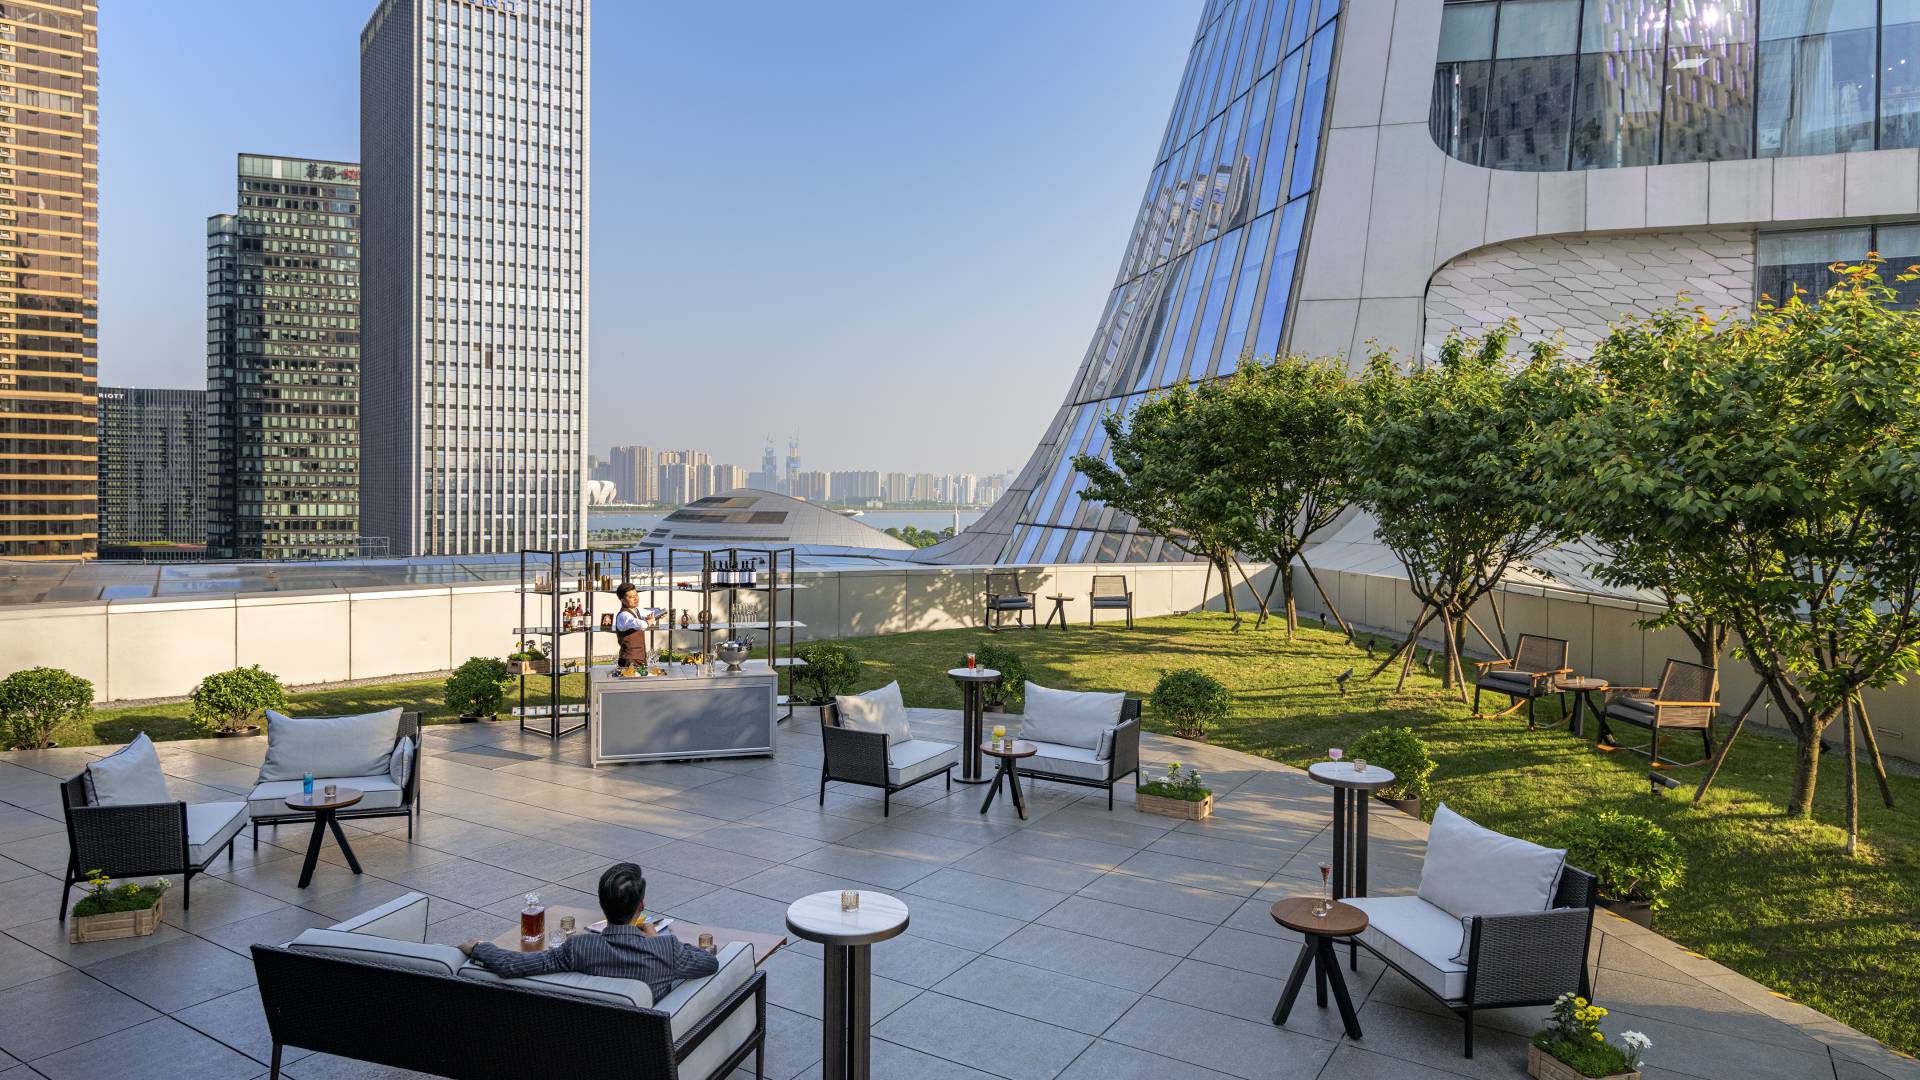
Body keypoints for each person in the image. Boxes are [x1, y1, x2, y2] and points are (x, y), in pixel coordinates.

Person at [460, 863, 717, 1000]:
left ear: (602, 904)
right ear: (641, 907)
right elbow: (709, 962)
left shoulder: (579, 947)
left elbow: (512, 965)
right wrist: (655, 938)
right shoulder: (665, 949)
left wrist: (478, 947)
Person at [612, 582, 649, 669]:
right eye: (631, 597)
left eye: (636, 595)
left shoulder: (636, 611)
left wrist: (657, 615)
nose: (636, 599)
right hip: (629, 660)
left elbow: (651, 613)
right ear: (622, 600)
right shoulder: (624, 615)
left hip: (640, 658)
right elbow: (642, 625)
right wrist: (650, 620)